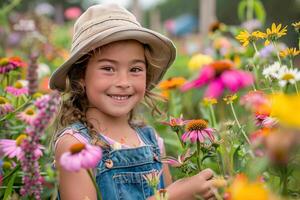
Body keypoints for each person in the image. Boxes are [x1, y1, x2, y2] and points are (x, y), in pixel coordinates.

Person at [50, 3, 216, 200]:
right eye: (108, 69)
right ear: (81, 76)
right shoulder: (75, 146)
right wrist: (171, 196)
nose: (123, 82)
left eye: (135, 69)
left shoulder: (152, 141)